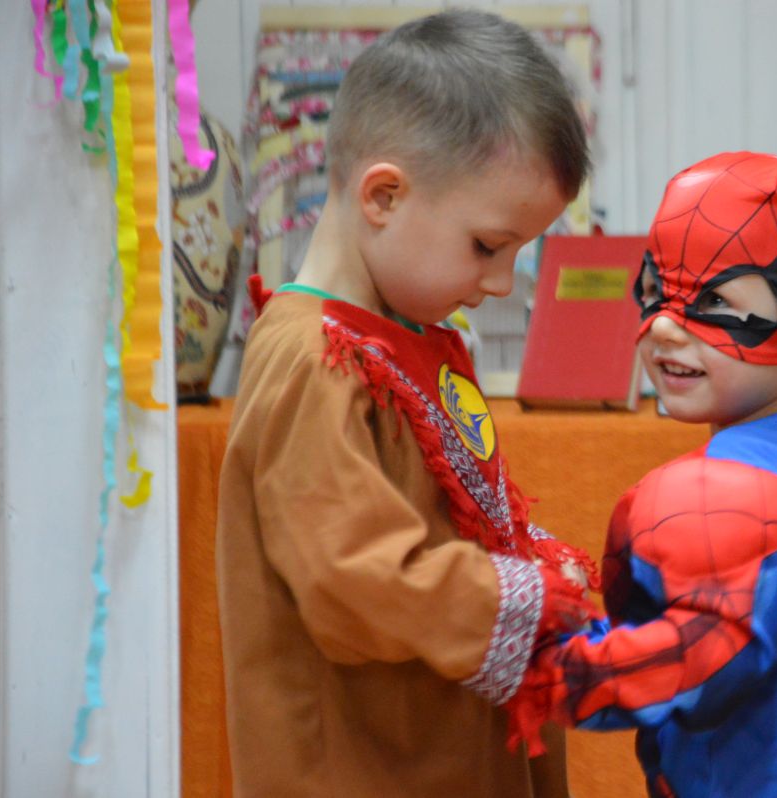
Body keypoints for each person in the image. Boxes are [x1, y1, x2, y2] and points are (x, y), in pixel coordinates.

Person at [216, 10, 596, 797]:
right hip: (368, 770)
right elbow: (356, 578)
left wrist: (533, 561)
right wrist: (523, 598)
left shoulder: (408, 337)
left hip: (452, 752)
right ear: (383, 196)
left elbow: (445, 523)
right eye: (488, 246)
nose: (501, 284)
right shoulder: (314, 360)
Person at [509, 152, 777, 797]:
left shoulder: (719, 488)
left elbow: (692, 659)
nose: (665, 324)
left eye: (716, 301)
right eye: (654, 290)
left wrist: (535, 660)